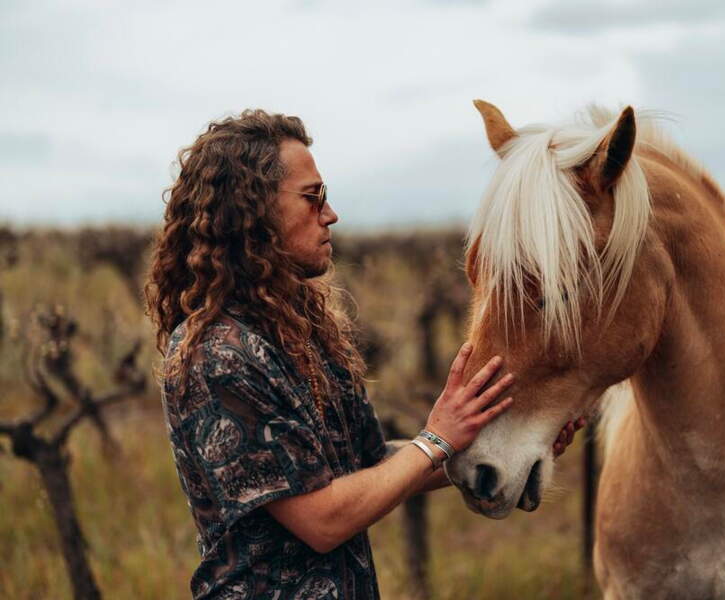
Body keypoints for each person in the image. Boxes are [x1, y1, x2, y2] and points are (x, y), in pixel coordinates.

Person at [145, 109, 586, 600]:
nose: (330, 214)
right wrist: (436, 439)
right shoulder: (218, 354)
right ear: (251, 212)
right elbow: (321, 520)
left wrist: (491, 445)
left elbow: (373, 467)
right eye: (313, 197)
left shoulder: (298, 335)